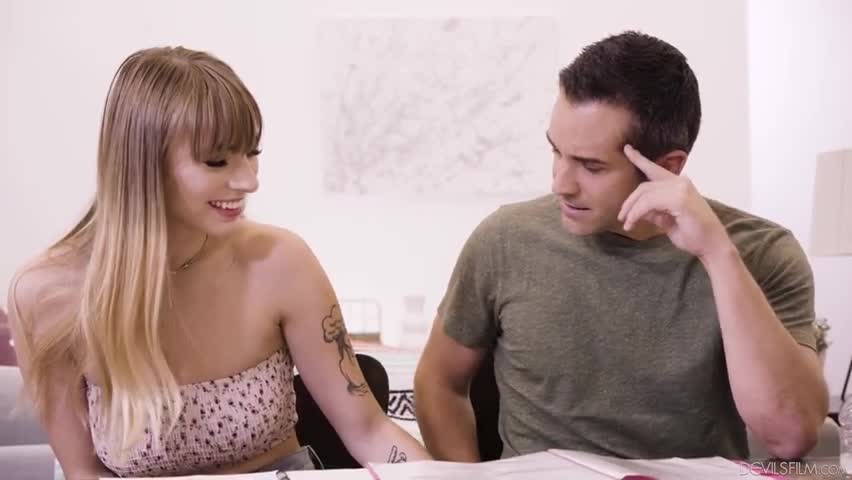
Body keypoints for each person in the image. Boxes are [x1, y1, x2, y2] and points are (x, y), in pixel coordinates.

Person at [6, 46, 429, 479]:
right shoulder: (46, 295)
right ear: (142, 164)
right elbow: (83, 472)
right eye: (217, 161)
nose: (249, 180)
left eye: (252, 153)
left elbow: (368, 431)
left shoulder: (281, 261)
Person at [414, 31, 828, 462]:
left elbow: (790, 436)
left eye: (591, 166)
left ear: (667, 167)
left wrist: (717, 255)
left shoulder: (762, 252)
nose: (560, 184)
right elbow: (438, 382)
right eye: (556, 152)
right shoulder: (504, 239)